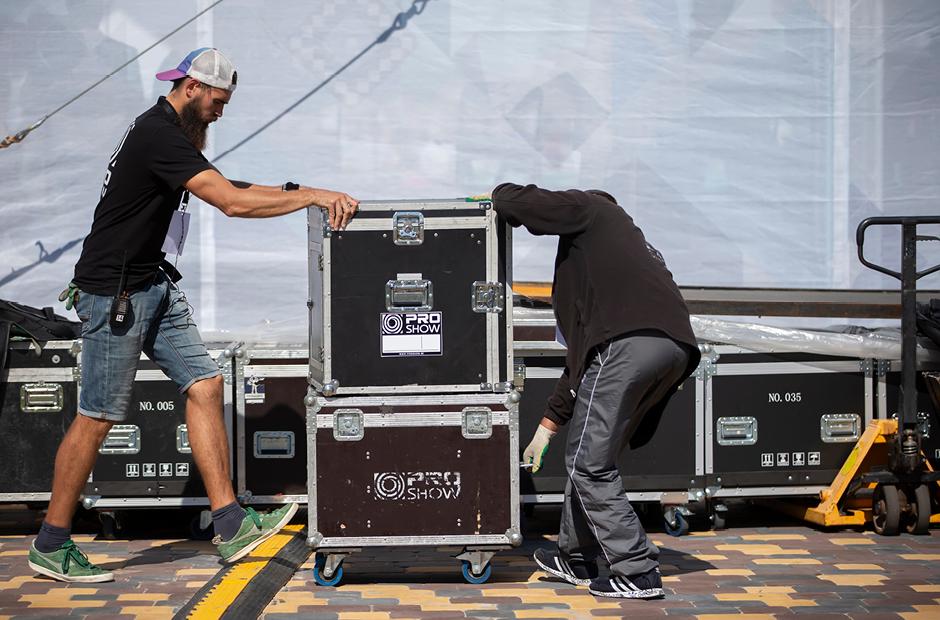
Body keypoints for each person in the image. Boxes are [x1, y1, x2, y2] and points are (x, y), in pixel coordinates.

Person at [28, 48, 359, 583]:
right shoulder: (159, 134)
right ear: (190, 88)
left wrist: (305, 194)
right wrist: (312, 197)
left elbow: (235, 187)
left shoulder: (170, 133)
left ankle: (230, 523)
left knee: (204, 384)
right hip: (117, 295)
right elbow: (230, 202)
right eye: (217, 102)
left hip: (149, 283)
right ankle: (51, 541)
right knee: (98, 414)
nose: (220, 113)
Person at [492, 183, 699, 599]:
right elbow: (580, 364)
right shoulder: (623, 258)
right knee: (591, 455)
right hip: (670, 350)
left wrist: (495, 195)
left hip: (628, 347)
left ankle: (637, 570)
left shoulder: (595, 210)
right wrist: (547, 428)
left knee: (590, 465)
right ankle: (576, 556)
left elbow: (515, 200)